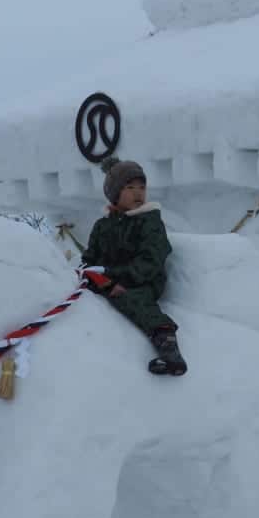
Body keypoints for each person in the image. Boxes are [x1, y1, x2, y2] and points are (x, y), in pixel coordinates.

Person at [80, 157, 187, 376]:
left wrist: (119, 278)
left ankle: (168, 346)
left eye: (142, 187)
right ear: (114, 193)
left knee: (131, 298)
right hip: (108, 278)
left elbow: (153, 258)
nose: (138, 193)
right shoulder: (103, 225)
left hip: (144, 279)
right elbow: (90, 257)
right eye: (130, 187)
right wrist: (90, 274)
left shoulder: (149, 221)